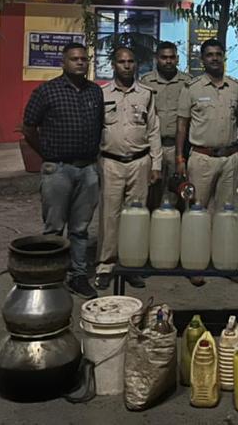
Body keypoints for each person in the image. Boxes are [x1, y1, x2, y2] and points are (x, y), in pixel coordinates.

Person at [21, 42, 104, 299]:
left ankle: (77, 276)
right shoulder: (47, 91)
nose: (80, 62)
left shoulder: (95, 92)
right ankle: (51, 278)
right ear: (63, 62)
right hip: (57, 170)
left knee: (80, 228)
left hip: (87, 170)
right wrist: (47, 153)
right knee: (54, 228)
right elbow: (28, 127)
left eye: (83, 59)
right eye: (74, 59)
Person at [176, 38, 238, 285]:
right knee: (197, 212)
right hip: (202, 158)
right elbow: (182, 126)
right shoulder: (192, 88)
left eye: (218, 54)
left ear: (223, 57)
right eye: (209, 55)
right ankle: (194, 264)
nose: (215, 58)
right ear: (202, 59)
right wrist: (179, 157)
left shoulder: (235, 87)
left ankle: (225, 262)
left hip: (230, 158)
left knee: (226, 212)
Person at [95, 47, 162, 292]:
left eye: (131, 61)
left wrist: (156, 164)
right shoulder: (101, 93)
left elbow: (153, 130)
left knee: (136, 216)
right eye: (122, 61)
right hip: (110, 163)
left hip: (139, 162)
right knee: (109, 216)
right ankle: (106, 266)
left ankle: (132, 265)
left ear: (136, 64)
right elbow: (96, 129)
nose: (127, 65)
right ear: (114, 64)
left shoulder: (146, 93)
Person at [139, 41, 191, 210]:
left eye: (172, 57)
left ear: (177, 59)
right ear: (157, 58)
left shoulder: (187, 82)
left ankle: (179, 224)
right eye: (164, 57)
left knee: (180, 193)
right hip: (154, 148)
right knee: (152, 194)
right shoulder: (146, 82)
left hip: (179, 148)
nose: (168, 61)